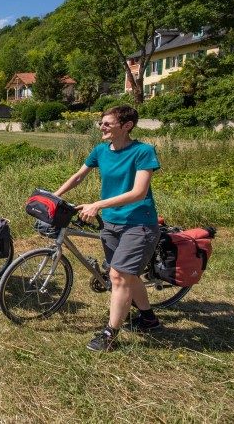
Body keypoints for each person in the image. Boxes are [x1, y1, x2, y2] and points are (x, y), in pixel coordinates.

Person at [53, 105, 161, 352]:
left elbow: (139, 192)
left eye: (107, 123)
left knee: (118, 276)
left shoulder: (143, 152)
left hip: (139, 224)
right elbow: (79, 176)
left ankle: (109, 334)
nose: (101, 127)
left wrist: (98, 204)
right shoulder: (101, 150)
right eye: (101, 123)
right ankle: (149, 319)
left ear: (127, 126)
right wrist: (53, 196)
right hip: (111, 224)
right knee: (125, 275)